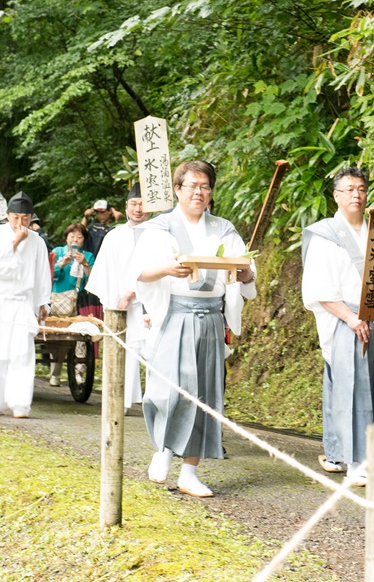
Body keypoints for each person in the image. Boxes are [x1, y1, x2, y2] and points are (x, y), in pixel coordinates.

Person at [133, 161, 256, 498]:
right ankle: (164, 450)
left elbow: (246, 267)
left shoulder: (224, 228)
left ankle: (190, 471)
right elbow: (140, 272)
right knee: (170, 386)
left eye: (205, 186)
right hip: (176, 314)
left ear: (211, 191)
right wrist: (166, 269)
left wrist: (246, 274)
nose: (199, 192)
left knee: (205, 393)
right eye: (192, 186)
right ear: (178, 189)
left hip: (211, 318)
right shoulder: (160, 227)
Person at [302, 167, 374, 486]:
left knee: (372, 388)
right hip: (343, 321)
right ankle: (355, 463)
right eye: (348, 189)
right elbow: (319, 289)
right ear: (336, 196)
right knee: (351, 390)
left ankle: (358, 457)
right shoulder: (324, 235)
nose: (356, 195)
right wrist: (349, 318)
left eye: (361, 189)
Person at [0, 192, 52, 418]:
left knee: (22, 352)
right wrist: (15, 242)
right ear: (8, 216)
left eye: (25, 218)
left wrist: (42, 301)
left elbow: (41, 273)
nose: (20, 223)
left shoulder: (37, 241)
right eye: (15, 217)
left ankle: (20, 403)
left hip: (23, 301)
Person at [85, 183, 149, 408]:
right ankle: (121, 400)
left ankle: (157, 402)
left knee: (155, 352)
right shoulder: (115, 235)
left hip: (150, 302)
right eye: (134, 204)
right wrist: (113, 300)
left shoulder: (158, 233)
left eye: (142, 204)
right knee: (125, 349)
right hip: (120, 304)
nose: (138, 209)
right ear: (126, 206)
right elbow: (106, 269)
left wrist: (132, 293)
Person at [47, 222, 96, 386]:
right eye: (72, 236)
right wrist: (61, 264)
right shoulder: (57, 252)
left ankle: (79, 372)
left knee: (80, 337)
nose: (75, 239)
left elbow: (94, 278)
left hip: (78, 302)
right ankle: (55, 373)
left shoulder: (87, 255)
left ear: (83, 240)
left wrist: (85, 264)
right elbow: (48, 274)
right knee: (56, 338)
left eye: (79, 237)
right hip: (56, 300)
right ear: (66, 237)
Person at [78, 199, 113, 318]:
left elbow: (122, 221)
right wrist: (86, 217)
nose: (100, 215)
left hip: (108, 266)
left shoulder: (114, 228)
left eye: (103, 212)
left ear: (109, 212)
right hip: (92, 264)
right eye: (98, 212)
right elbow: (79, 232)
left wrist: (116, 214)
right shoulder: (92, 228)